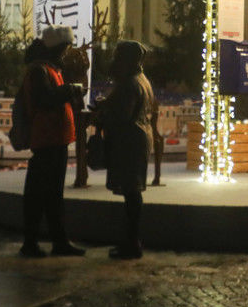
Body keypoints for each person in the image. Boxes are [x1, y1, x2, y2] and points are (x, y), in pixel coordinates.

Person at [19, 26, 85, 258]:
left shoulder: (49, 69)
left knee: (51, 193)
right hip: (47, 140)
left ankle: (57, 241)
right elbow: (44, 100)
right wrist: (69, 90)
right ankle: (34, 242)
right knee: (42, 193)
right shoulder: (40, 71)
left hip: (54, 139)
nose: (68, 52)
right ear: (57, 48)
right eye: (66, 48)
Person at [97, 40, 155, 259]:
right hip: (138, 139)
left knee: (132, 192)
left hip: (131, 142)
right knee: (133, 191)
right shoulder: (140, 79)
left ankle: (132, 243)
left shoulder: (130, 83)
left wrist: (104, 114)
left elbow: (123, 115)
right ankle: (131, 240)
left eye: (118, 55)